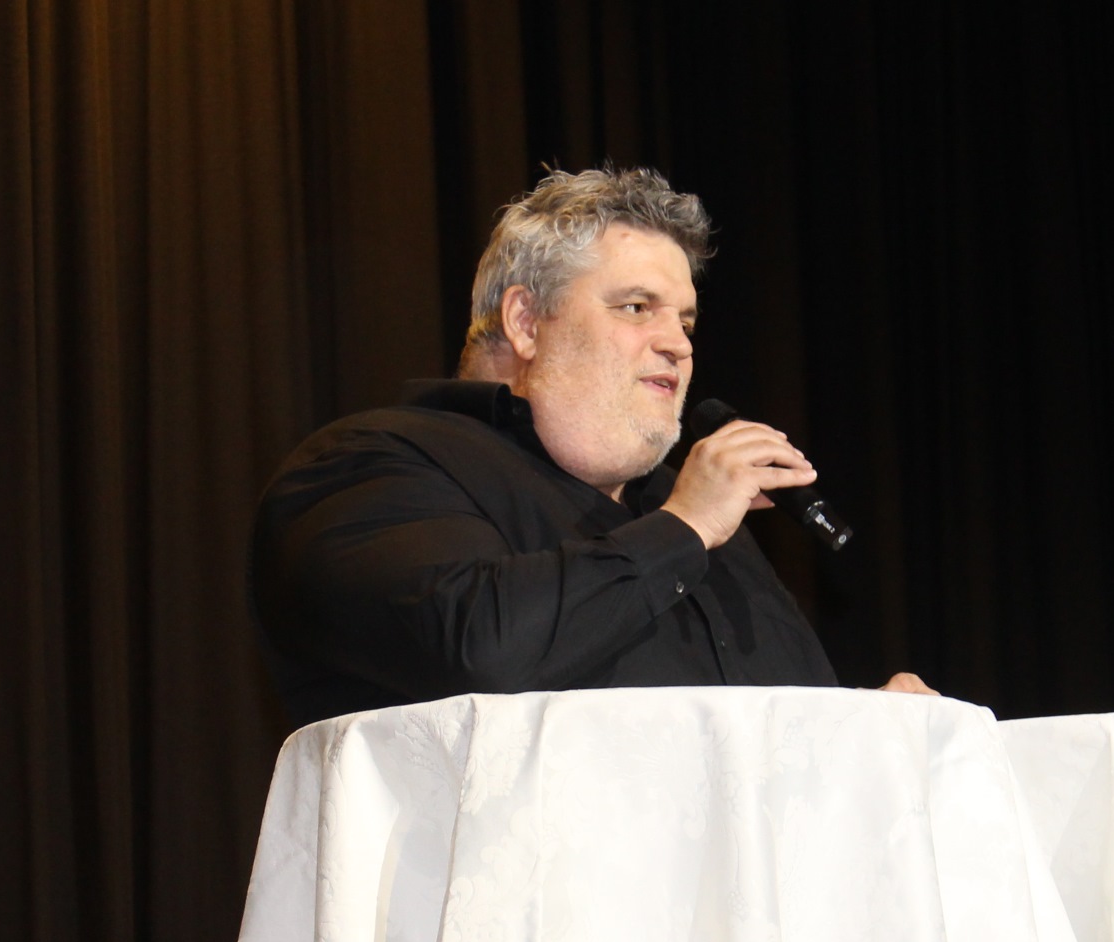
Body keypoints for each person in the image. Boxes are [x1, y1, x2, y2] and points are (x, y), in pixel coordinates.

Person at [252, 165, 931, 729]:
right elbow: (477, 648)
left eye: (685, 320)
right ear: (525, 321)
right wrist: (684, 528)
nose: (679, 343)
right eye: (636, 307)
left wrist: (862, 729)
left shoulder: (682, 506)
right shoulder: (370, 463)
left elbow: (757, 739)